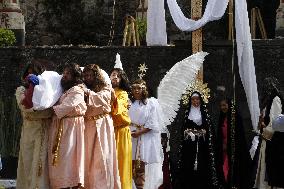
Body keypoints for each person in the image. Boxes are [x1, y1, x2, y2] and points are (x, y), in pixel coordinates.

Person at [48, 63, 87, 189]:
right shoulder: (64, 90)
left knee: (68, 159)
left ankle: (70, 184)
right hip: (62, 126)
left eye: (68, 73)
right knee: (60, 160)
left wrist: (48, 109)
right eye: (64, 73)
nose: (64, 76)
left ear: (75, 76)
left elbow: (66, 107)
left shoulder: (77, 90)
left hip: (72, 128)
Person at [83, 64, 121, 189]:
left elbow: (101, 99)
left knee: (102, 159)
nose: (87, 78)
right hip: (87, 127)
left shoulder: (106, 88)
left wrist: (86, 92)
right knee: (88, 160)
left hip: (102, 125)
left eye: (90, 75)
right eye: (85, 75)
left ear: (96, 76)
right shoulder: (83, 89)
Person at [15, 61, 52, 189]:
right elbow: (26, 107)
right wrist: (39, 108)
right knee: (28, 162)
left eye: (33, 73)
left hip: (45, 130)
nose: (30, 76)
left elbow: (49, 111)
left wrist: (42, 109)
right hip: (29, 131)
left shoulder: (48, 94)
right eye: (28, 73)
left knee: (42, 163)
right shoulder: (21, 90)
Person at [180, 90, 221, 189]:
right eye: (193, 99)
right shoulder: (187, 113)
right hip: (190, 144)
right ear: (190, 101)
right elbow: (183, 129)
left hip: (202, 144)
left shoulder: (204, 113)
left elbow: (209, 128)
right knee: (189, 163)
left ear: (201, 100)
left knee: (202, 164)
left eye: (197, 99)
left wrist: (204, 131)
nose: (195, 101)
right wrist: (187, 132)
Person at [129, 79, 164, 189]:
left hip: (144, 138)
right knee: (132, 166)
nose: (136, 91)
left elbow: (152, 123)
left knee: (141, 167)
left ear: (144, 89)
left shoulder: (151, 103)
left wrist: (139, 132)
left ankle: (141, 186)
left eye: (139, 88)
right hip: (132, 137)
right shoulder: (131, 103)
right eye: (134, 88)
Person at [254, 77, 284, 188]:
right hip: (266, 140)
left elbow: (276, 123)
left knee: (269, 166)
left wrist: (264, 129)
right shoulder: (268, 100)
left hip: (272, 141)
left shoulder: (275, 99)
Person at [216, 98, 251, 189]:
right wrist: (222, 144)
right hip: (224, 150)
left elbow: (239, 136)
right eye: (221, 106)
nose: (222, 107)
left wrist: (231, 144)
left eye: (224, 105)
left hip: (234, 150)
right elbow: (220, 134)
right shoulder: (222, 118)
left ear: (229, 105)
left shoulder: (236, 117)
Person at [110, 67, 132, 189]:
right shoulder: (104, 91)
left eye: (118, 76)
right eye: (113, 74)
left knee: (121, 164)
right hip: (109, 131)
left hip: (121, 131)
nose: (115, 77)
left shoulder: (123, 93)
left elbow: (118, 110)